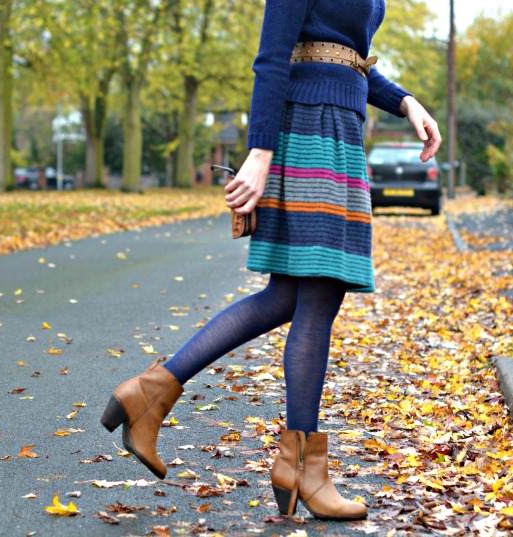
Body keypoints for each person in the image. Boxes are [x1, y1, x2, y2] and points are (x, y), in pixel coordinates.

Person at [102, 0, 441, 521]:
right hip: (308, 133)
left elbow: (341, 56)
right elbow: (275, 55)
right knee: (320, 292)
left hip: (337, 130)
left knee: (286, 295)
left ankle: (151, 394)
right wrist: (259, 153)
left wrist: (405, 102)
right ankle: (304, 468)